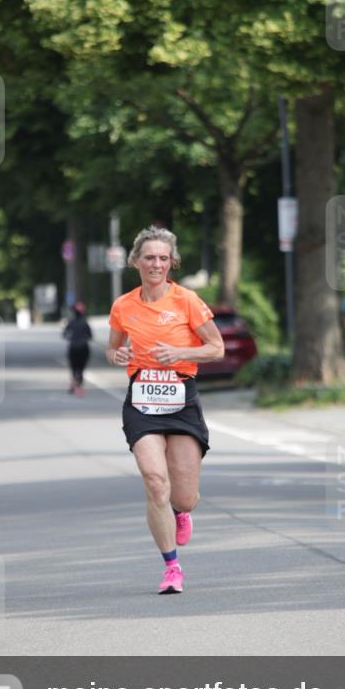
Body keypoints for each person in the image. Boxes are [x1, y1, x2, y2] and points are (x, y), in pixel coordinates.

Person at [106, 225, 224, 595]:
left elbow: (216, 348)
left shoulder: (187, 300)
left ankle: (182, 511)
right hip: (142, 400)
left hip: (181, 399)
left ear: (172, 262)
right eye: (149, 257)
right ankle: (172, 567)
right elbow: (112, 349)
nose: (156, 264)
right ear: (135, 262)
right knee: (155, 481)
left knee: (183, 494)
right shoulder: (123, 305)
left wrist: (182, 353)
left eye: (162, 258)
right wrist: (118, 354)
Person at [63, 302, 92, 396]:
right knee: (81, 368)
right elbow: (90, 336)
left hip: (73, 347)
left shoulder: (71, 322)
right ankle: (78, 386)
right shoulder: (85, 323)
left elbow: (64, 335)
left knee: (74, 368)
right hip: (84, 348)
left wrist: (72, 338)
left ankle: (74, 384)